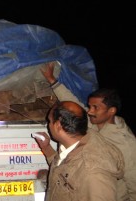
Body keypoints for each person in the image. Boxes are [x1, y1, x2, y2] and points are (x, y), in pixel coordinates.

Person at [41, 62, 136, 201]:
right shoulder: (91, 125)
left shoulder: (126, 143)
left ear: (111, 111)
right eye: (89, 106)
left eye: (95, 108)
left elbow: (134, 184)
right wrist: (52, 80)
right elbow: (73, 103)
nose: (90, 111)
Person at [34, 101, 124, 201]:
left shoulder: (94, 173)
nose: (48, 125)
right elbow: (64, 170)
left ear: (58, 125)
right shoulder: (73, 141)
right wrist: (47, 149)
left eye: (50, 121)